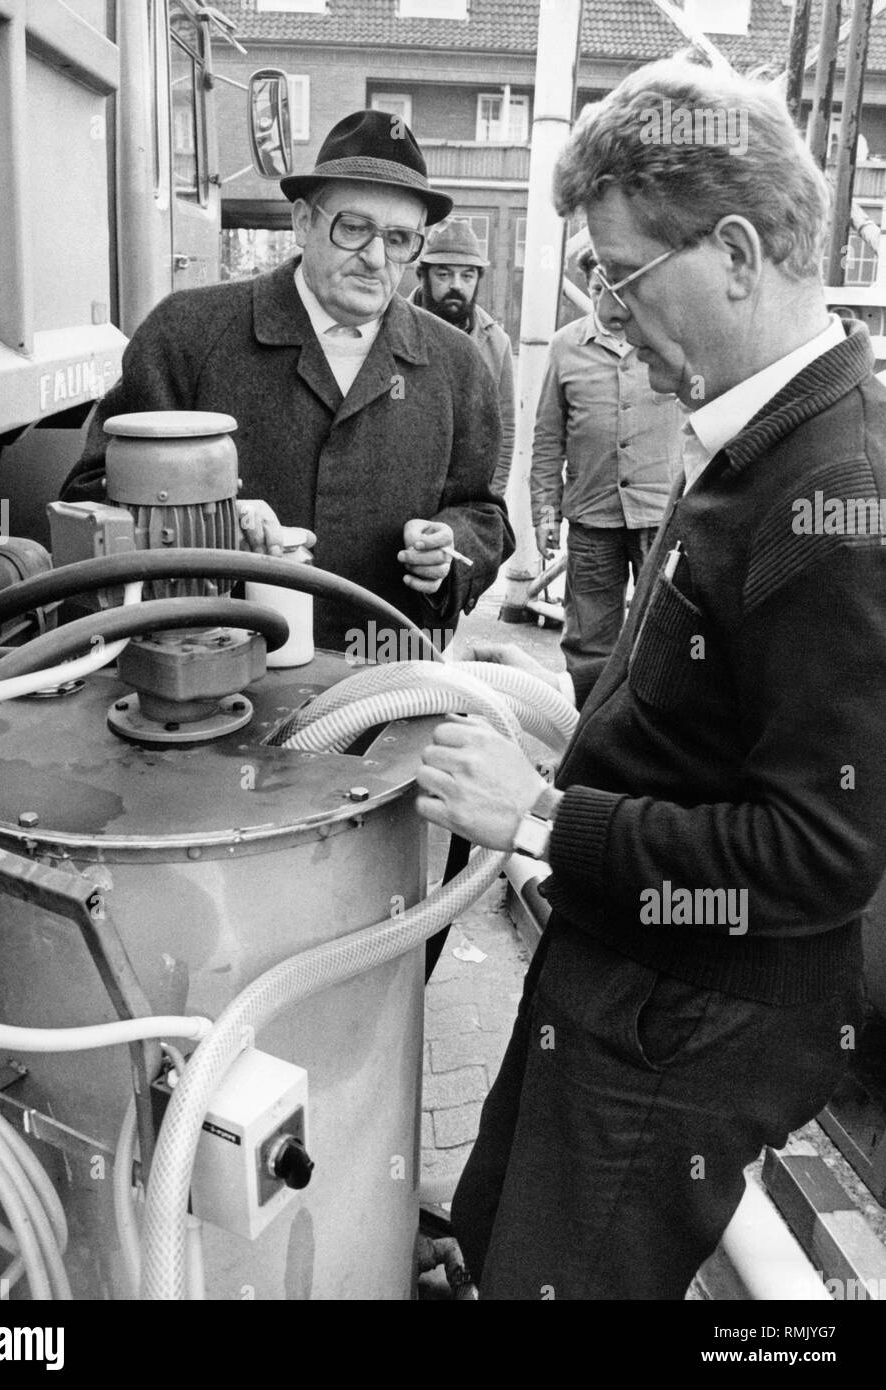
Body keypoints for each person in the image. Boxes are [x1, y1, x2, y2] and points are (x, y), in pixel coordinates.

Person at [415, 59, 886, 1299]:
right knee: (491, 1218)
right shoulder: (757, 429)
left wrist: (539, 815)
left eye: (621, 277)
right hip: (624, 972)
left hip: (688, 1024)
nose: (608, 317)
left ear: (735, 250)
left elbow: (822, 852)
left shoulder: (835, 499)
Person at [61, 110, 513, 651]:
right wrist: (211, 522)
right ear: (302, 222)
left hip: (388, 672)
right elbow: (89, 498)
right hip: (212, 675)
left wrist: (449, 549)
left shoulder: (457, 363)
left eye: (399, 239)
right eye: (353, 227)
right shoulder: (187, 334)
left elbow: (484, 515)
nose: (375, 258)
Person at [530, 246, 683, 684]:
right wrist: (545, 514)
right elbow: (547, 440)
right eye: (600, 289)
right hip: (592, 521)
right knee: (589, 642)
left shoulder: (669, 343)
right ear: (589, 287)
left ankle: (648, 738)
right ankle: (584, 734)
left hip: (659, 518)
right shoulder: (564, 348)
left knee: (663, 635)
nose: (610, 305)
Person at [410, 220, 516, 494]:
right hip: (403, 492)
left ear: (478, 279)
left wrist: (492, 500)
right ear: (423, 274)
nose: (456, 286)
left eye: (467, 276)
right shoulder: (389, 331)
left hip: (464, 500)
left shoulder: (495, 344)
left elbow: (503, 431)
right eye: (443, 275)